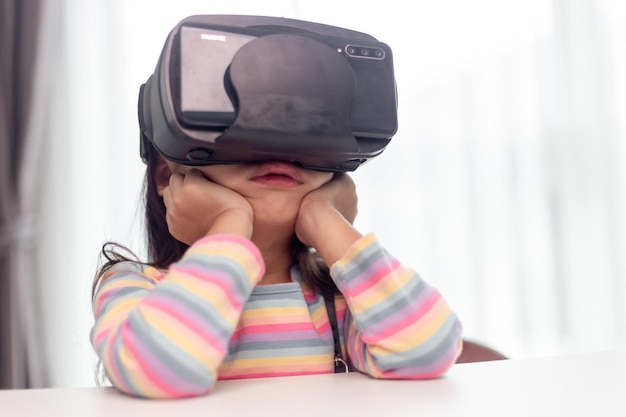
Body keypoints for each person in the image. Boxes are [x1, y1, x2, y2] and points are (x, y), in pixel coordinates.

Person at [90, 16, 463, 400]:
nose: (279, 157)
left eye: (302, 150)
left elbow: (427, 349)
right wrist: (228, 227)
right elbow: (159, 369)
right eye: (250, 146)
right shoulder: (135, 285)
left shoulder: (337, 299)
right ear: (169, 177)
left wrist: (326, 222)